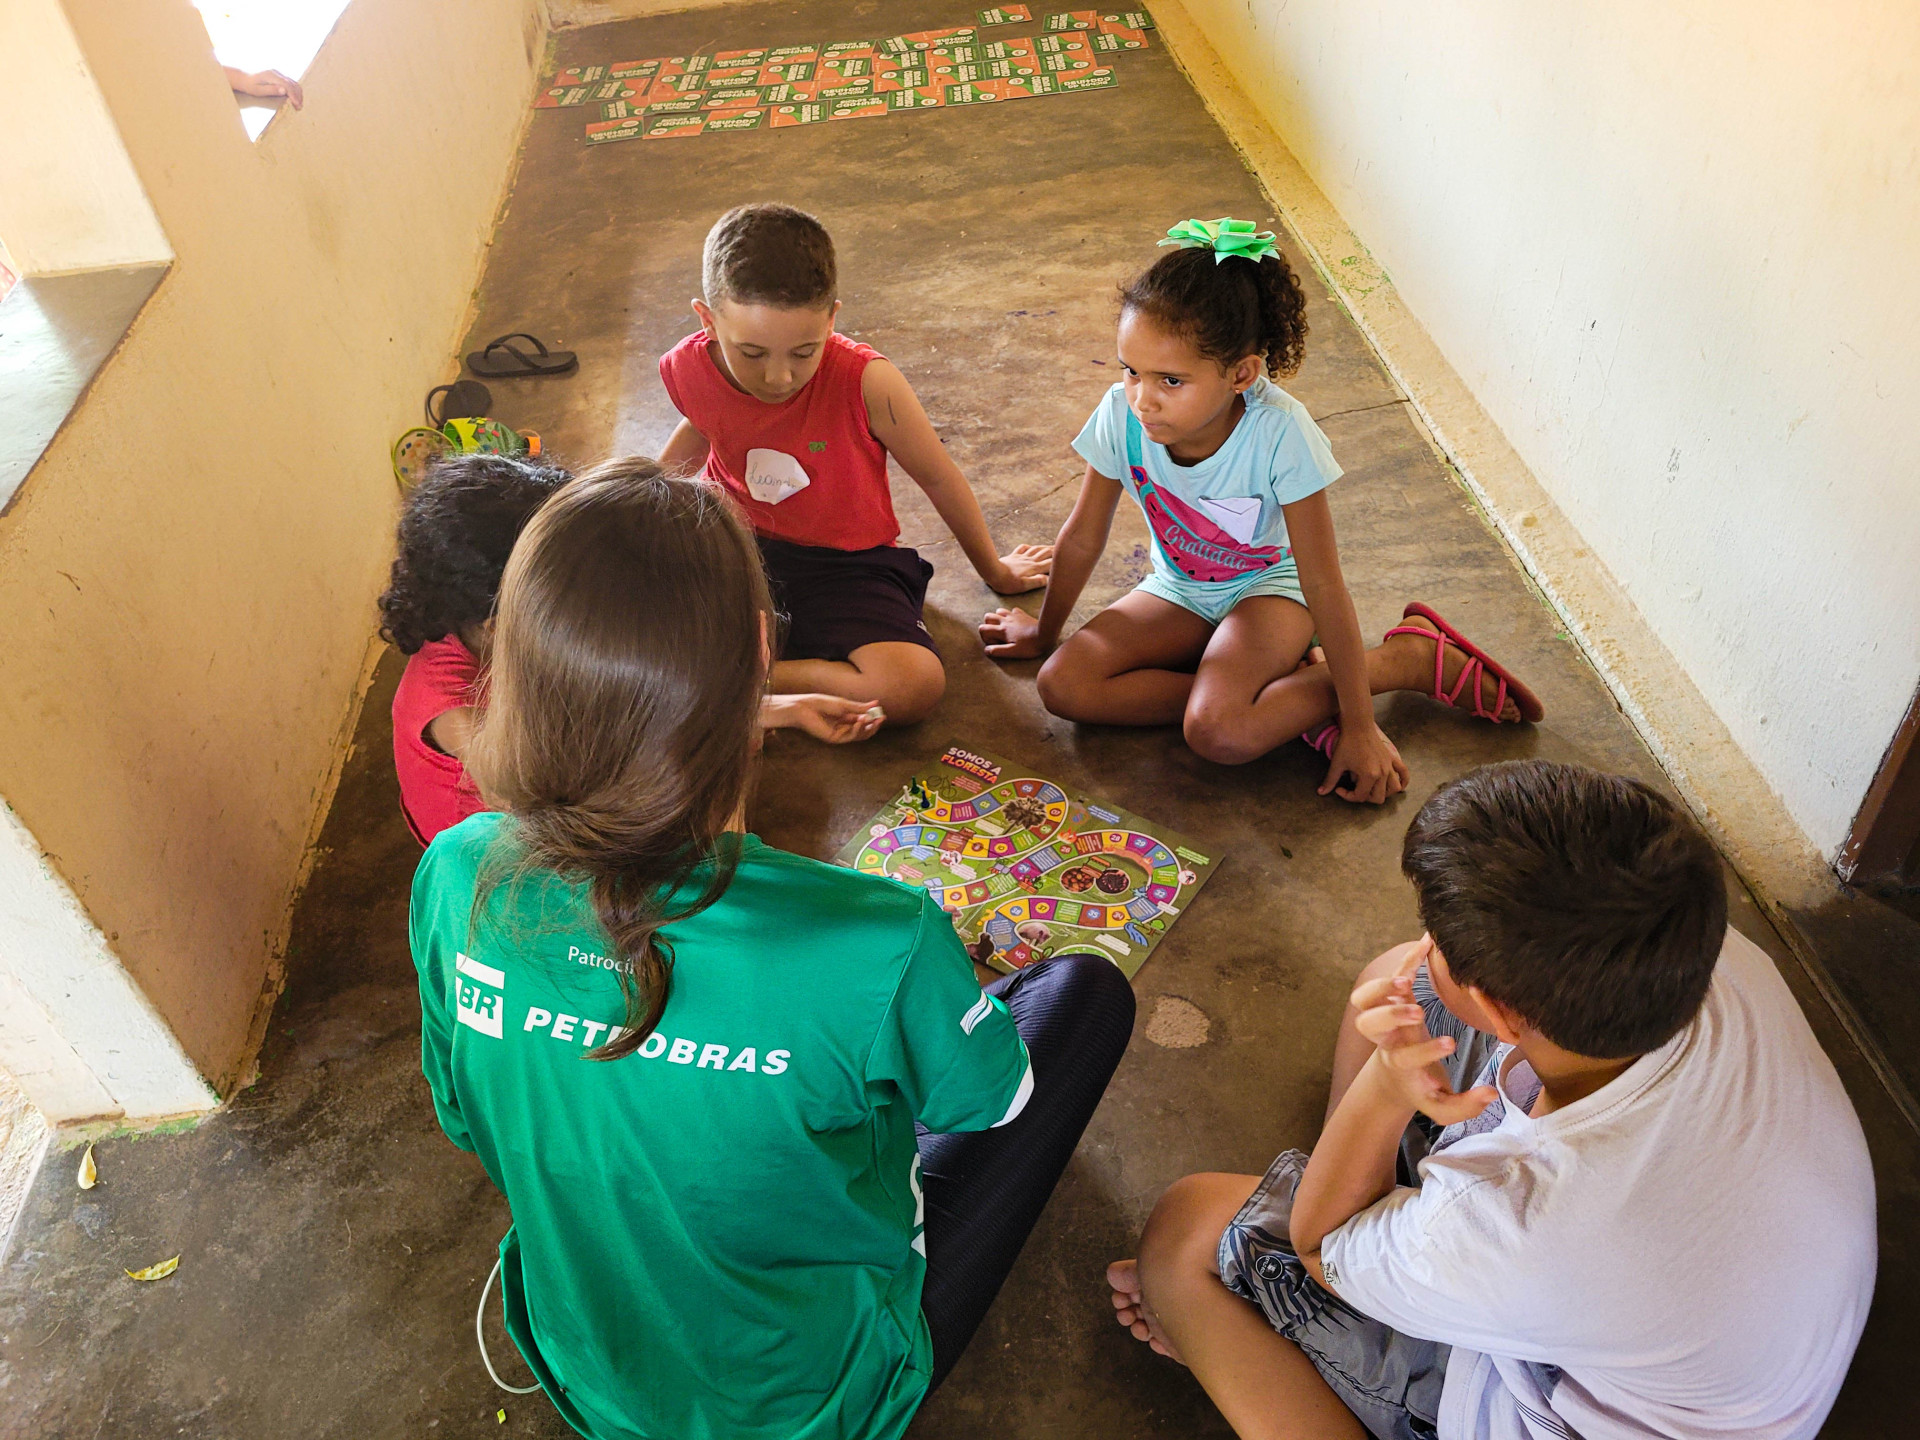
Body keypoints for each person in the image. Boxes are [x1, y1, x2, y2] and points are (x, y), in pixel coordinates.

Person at [411, 460, 1136, 1440]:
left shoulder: (456, 870)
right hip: (818, 1403)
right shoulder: (878, 937)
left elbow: (467, 1121)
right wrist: (943, 985)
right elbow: (991, 1099)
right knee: (1084, 992)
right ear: (761, 652)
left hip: (593, 1373)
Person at [1106, 760, 1876, 1440]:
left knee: (1185, 1234)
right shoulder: (1698, 945)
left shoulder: (1519, 1221)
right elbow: (1423, 982)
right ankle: (1362, 1258)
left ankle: (1303, 1327)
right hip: (1735, 1336)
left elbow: (1317, 1244)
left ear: (1505, 1014)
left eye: (1437, 936)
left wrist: (1380, 1095)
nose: (1425, 942)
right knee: (1399, 984)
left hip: (1539, 1386)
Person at [981, 219, 1542, 803]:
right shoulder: (1121, 416)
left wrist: (1360, 725)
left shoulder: (1281, 433)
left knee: (1219, 732)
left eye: (1171, 380)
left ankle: (1406, 661)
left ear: (1241, 374)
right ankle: (1281, 697)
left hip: (1271, 592)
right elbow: (1081, 539)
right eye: (1130, 371)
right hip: (1180, 589)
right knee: (1064, 686)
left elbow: (1322, 582)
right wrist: (1044, 635)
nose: (1142, 397)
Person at [658, 203, 1054, 728]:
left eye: (804, 351)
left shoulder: (868, 382)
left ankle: (752, 677)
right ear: (706, 320)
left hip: (847, 564)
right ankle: (745, 678)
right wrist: (644, 503)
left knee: (912, 685)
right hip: (734, 544)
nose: (779, 377)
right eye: (751, 353)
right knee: (621, 622)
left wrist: (995, 570)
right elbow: (704, 426)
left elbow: (937, 476)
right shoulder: (685, 367)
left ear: (832, 318)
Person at [379, 452, 883, 845]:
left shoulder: (474, 623)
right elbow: (575, 796)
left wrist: (782, 709)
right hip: (519, 865)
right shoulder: (456, 716)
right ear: (501, 622)